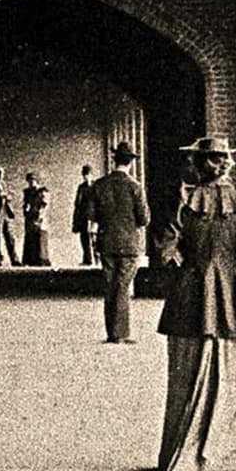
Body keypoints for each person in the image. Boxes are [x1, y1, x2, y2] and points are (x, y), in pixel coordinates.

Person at [156, 137, 236, 471]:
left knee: (188, 371)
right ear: (228, 164)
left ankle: (185, 453)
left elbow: (166, 252)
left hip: (192, 294)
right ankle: (235, 458)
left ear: (197, 164)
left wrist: (189, 268)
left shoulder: (184, 200)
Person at [87, 141, 150, 343]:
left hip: (106, 241)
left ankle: (111, 332)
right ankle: (120, 334)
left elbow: (91, 215)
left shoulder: (99, 185)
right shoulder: (135, 187)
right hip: (129, 243)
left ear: (114, 160)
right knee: (123, 286)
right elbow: (144, 219)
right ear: (131, 162)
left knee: (110, 286)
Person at [21, 172, 51, 266]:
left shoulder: (42, 191)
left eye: (32, 180)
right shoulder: (27, 192)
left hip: (39, 219)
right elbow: (26, 203)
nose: (30, 183)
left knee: (40, 238)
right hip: (30, 218)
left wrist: (40, 215)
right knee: (30, 237)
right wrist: (26, 210)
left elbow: (44, 204)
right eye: (29, 181)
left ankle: (41, 259)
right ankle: (30, 260)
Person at [72, 164, 96, 265]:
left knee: (94, 239)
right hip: (83, 217)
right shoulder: (81, 188)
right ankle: (87, 259)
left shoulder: (96, 187)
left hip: (93, 217)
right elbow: (77, 204)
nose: (86, 177)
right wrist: (75, 220)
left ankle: (95, 259)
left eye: (88, 174)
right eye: (85, 175)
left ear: (91, 175)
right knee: (84, 239)